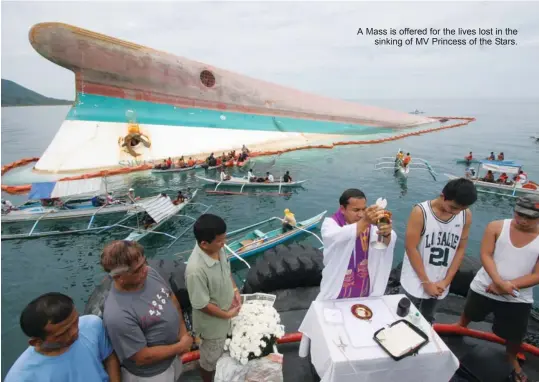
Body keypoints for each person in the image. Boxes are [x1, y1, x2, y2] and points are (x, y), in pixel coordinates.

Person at [454, 195, 539, 382]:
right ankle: (460, 326)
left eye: (531, 217)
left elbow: (537, 274)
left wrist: (507, 286)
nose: (523, 221)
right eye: (520, 215)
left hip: (518, 295)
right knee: (471, 311)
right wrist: (498, 282)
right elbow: (485, 255)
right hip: (485, 285)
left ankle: (511, 356)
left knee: (515, 334)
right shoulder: (496, 227)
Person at [101, 240, 192, 382]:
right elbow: (141, 357)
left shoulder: (149, 273)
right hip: (151, 375)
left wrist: (182, 333)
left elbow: (170, 297)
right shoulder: (117, 314)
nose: (145, 269)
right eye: (137, 269)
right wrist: (180, 346)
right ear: (119, 277)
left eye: (144, 262)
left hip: (173, 358)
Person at [400, 178, 477, 323]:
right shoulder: (420, 212)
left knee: (428, 317)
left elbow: (460, 248)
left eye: (462, 208)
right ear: (443, 196)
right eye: (454, 207)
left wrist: (447, 281)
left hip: (441, 279)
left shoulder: (465, 214)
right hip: (416, 276)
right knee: (403, 315)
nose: (457, 212)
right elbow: (411, 247)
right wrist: (425, 282)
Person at [5, 292, 121, 382]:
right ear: (36, 342)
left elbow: (109, 357)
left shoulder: (92, 325)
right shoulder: (21, 377)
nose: (75, 332)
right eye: (62, 333)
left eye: (76, 321)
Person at [185, 214, 242, 382]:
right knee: (209, 361)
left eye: (224, 239)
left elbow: (226, 270)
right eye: (220, 241)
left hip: (228, 313)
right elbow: (201, 304)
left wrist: (235, 290)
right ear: (204, 243)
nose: (224, 244)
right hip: (212, 327)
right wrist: (227, 315)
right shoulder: (195, 270)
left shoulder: (218, 248)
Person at [317, 188, 397, 301]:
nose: (360, 214)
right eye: (356, 210)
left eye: (364, 209)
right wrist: (366, 220)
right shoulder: (330, 224)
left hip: (365, 287)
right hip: (337, 289)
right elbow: (338, 237)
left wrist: (386, 233)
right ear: (342, 209)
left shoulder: (371, 225)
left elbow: (383, 246)